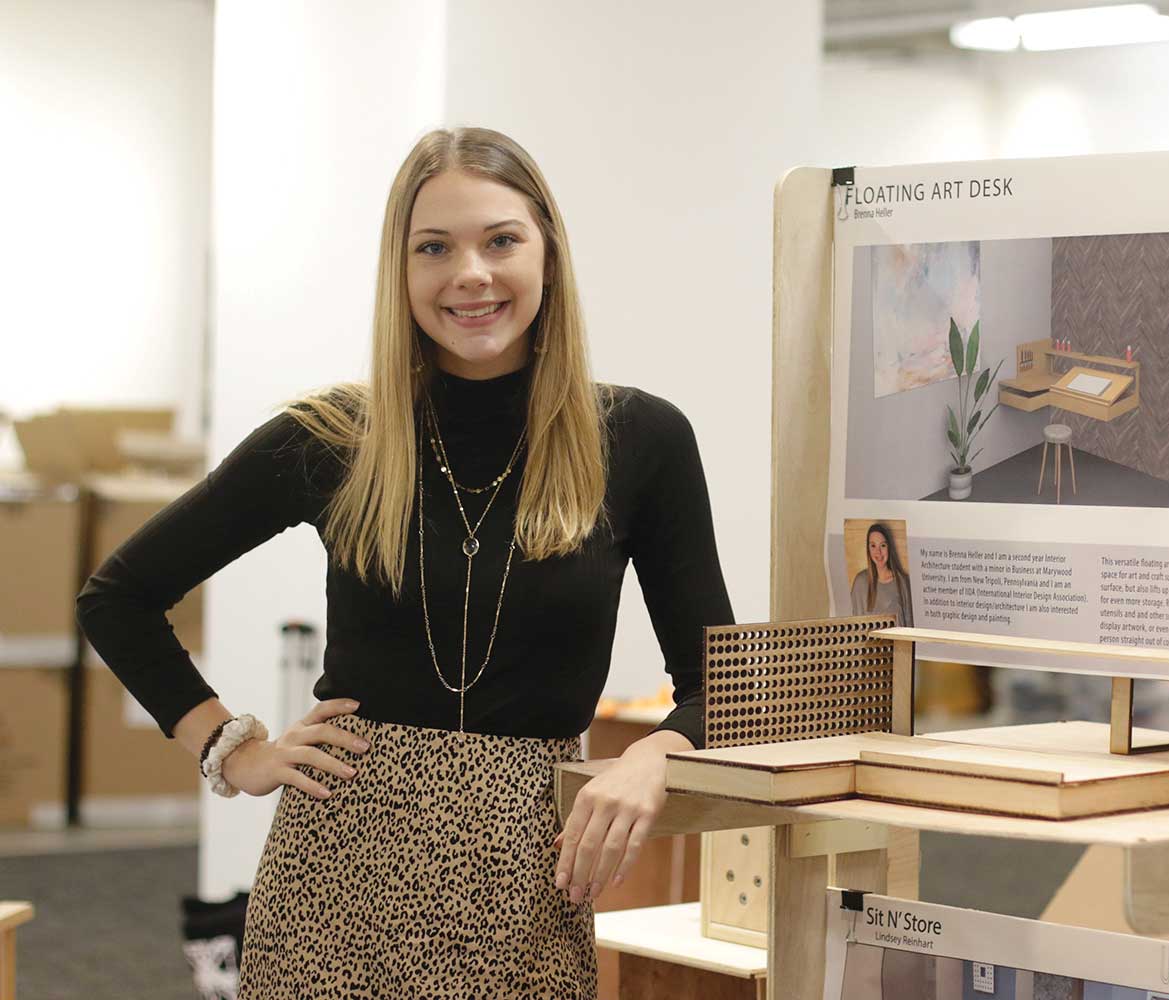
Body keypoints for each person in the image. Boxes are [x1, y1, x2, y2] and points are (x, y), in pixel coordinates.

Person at [76, 127, 734, 998]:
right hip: (337, 871)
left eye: (501, 240)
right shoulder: (331, 439)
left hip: (527, 872)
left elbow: (723, 680)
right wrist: (230, 749)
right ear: (402, 269)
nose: (471, 274)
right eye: (435, 248)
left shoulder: (640, 439)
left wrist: (654, 754)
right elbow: (117, 596)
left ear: (548, 252)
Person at [849, 522, 913, 627]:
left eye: (882, 545)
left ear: (889, 548)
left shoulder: (902, 581)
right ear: (868, 548)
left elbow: (910, 626)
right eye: (873, 545)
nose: (878, 552)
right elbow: (854, 627)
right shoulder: (860, 582)